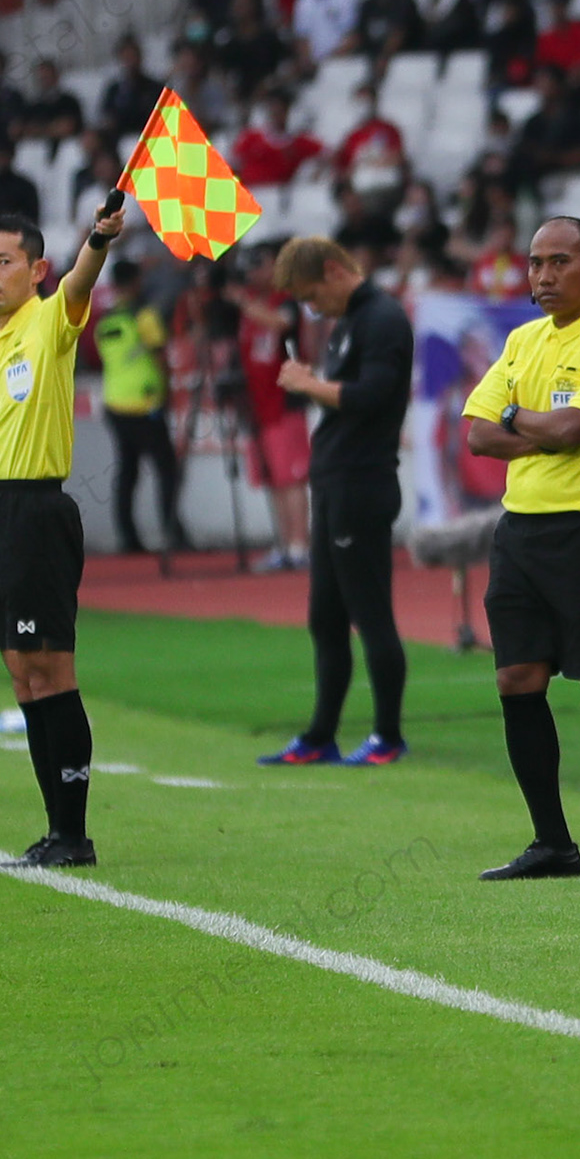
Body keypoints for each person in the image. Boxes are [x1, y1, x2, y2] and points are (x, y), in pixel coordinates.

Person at [461, 217, 580, 880]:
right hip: (518, 532)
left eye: (560, 262)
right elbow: (476, 436)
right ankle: (553, 844)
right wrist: (534, 428)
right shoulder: (521, 339)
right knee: (517, 679)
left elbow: (574, 428)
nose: (543, 276)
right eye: (535, 263)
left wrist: (518, 415)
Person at [0, 198, 127, 867]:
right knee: (20, 674)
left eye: (3, 261)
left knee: (51, 669)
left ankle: (74, 834)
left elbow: (81, 282)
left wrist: (98, 237)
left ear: (35, 268)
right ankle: (54, 829)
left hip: (37, 511)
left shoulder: (48, 321)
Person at [258, 238, 414, 767]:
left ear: (332, 271)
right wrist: (316, 385)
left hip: (361, 484)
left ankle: (388, 735)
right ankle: (320, 735)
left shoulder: (383, 319)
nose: (310, 308)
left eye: (310, 295)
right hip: (334, 483)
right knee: (325, 618)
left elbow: (372, 395)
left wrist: (310, 384)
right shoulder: (351, 321)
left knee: (371, 615)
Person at [94, 259, 185, 555]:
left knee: (127, 471)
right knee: (166, 469)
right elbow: (161, 358)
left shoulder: (105, 321)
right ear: (134, 282)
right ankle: (172, 532)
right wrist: (168, 394)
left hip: (114, 403)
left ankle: (128, 537)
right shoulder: (144, 316)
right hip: (146, 403)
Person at [232, 250, 312, 571]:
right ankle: (284, 543)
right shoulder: (249, 304)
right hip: (257, 405)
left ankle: (299, 545)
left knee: (291, 477)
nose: (252, 273)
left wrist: (243, 303)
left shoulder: (286, 301)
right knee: (273, 479)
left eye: (259, 265)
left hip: (285, 402)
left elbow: (280, 324)